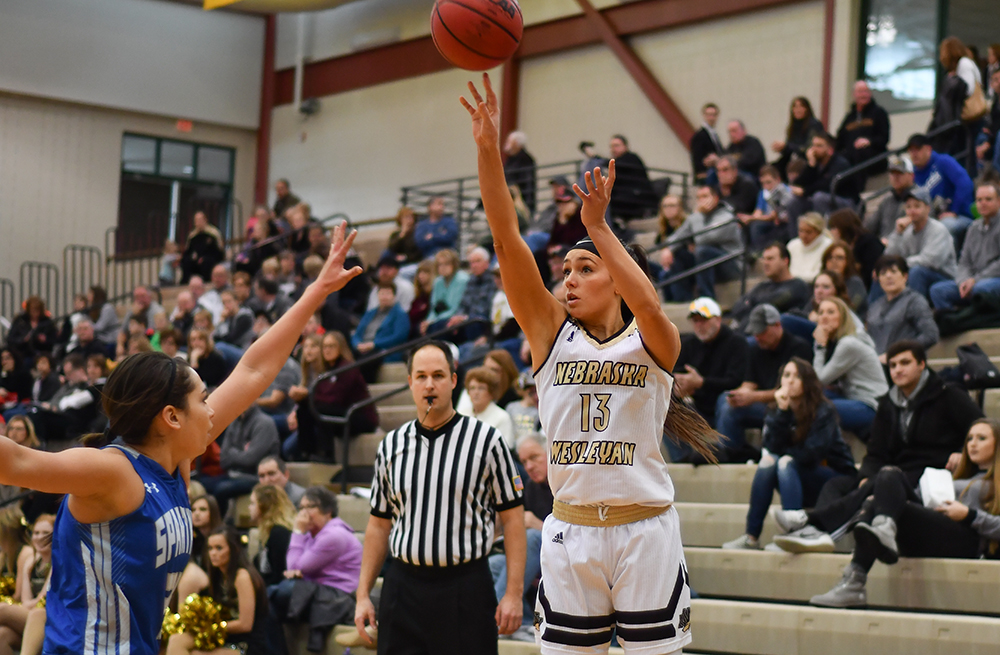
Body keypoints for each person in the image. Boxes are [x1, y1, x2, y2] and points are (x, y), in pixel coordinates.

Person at [445, 75, 725, 654]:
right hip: (570, 531)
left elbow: (648, 302)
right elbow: (505, 239)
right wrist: (486, 150)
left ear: (617, 282)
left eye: (584, 269)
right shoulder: (550, 335)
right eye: (565, 270)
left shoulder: (653, 341)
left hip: (645, 531)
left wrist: (596, 226)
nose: (568, 279)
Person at [0, 222, 363, 655]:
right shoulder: (113, 470)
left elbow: (252, 372)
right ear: (171, 417)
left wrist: (315, 293)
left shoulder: (175, 458)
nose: (211, 407)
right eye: (202, 398)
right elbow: (16, 462)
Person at [353, 342, 526, 653]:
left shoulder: (487, 440)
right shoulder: (390, 445)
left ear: (453, 380)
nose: (429, 384)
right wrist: (363, 593)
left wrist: (513, 593)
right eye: (420, 376)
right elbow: (379, 525)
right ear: (409, 382)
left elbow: (513, 520)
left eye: (438, 375)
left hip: (465, 587)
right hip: (403, 587)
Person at [773, 340, 983, 553]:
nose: (898, 370)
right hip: (895, 473)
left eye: (905, 363)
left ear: (921, 365)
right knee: (837, 485)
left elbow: (983, 429)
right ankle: (816, 534)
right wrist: (866, 474)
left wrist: (962, 452)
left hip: (931, 475)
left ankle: (813, 525)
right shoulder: (887, 403)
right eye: (892, 365)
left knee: (880, 482)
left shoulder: (948, 394)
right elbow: (876, 452)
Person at [810, 418, 1000, 608]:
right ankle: (880, 533)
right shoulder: (959, 475)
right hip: (936, 528)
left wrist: (969, 515)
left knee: (876, 500)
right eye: (969, 439)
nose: (972, 444)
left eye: (981, 438)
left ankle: (819, 529)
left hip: (967, 540)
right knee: (889, 475)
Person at [722, 358, 855, 550]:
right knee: (768, 462)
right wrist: (783, 414)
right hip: (796, 475)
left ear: (808, 382)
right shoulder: (776, 409)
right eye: (786, 376)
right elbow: (770, 448)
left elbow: (811, 453)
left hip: (834, 479)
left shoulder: (823, 410)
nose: (790, 381)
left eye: (797, 376)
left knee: (784, 461)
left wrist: (784, 455)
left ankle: (793, 534)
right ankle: (751, 537)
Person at [716, 305, 812, 462]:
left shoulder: (799, 347)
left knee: (729, 410)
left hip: (789, 407)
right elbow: (750, 382)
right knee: (725, 400)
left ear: (777, 325)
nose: (758, 336)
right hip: (765, 404)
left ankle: (730, 458)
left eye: (762, 332)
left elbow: (791, 391)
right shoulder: (755, 349)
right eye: (755, 332)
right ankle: (732, 455)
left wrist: (753, 397)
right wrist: (740, 394)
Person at [490, 433, 552, 641]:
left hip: (566, 551)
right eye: (524, 461)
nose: (529, 466)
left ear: (550, 452)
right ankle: (524, 624)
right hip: (539, 556)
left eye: (534, 457)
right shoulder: (531, 489)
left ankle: (499, 622)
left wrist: (541, 527)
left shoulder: (565, 483)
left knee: (533, 537)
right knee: (494, 564)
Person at [168, 526, 268, 655]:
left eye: (219, 548)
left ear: (234, 549)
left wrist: (213, 627)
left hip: (247, 644)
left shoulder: (242, 576)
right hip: (224, 637)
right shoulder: (219, 576)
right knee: (176, 640)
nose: (213, 553)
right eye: (210, 548)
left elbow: (245, 624)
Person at [812, 297, 888, 437]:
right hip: (854, 398)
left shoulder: (848, 344)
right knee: (810, 396)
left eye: (830, 312)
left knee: (818, 409)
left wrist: (819, 346)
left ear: (843, 317)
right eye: (821, 312)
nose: (824, 317)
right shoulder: (842, 341)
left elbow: (819, 379)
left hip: (871, 405)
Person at [298, 331, 377, 461]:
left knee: (321, 408)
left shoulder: (347, 368)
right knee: (303, 410)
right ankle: (305, 453)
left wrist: (308, 395)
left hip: (360, 416)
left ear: (341, 348)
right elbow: (322, 395)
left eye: (332, 346)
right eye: (325, 347)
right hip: (341, 412)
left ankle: (327, 455)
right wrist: (304, 399)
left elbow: (335, 399)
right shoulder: (326, 370)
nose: (327, 350)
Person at [672, 297, 748, 429]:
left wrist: (702, 383)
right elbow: (677, 372)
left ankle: (725, 449)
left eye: (704, 320)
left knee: (726, 401)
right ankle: (685, 450)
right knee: (663, 403)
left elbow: (735, 381)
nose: (699, 325)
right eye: (696, 321)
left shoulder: (736, 343)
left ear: (718, 319)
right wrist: (680, 386)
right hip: (696, 403)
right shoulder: (689, 344)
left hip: (723, 403)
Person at [660, 184, 743, 301]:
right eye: (699, 198)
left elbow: (706, 237)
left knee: (703, 251)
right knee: (679, 254)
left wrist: (697, 215)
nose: (701, 201)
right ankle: (682, 300)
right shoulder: (697, 217)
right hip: (706, 262)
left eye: (705, 196)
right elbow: (677, 236)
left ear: (715, 198)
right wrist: (668, 249)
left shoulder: (727, 216)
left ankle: (707, 299)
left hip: (731, 263)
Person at [929, 180, 1000, 310]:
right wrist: (963, 281)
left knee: (981, 288)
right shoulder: (973, 228)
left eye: (988, 199)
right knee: (938, 290)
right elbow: (964, 261)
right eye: (979, 200)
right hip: (972, 282)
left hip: (992, 281)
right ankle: (957, 322)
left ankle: (981, 320)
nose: (983, 203)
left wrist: (975, 280)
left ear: (999, 201)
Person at [881, 186, 958, 299]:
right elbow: (889, 257)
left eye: (917, 206)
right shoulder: (906, 231)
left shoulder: (938, 229)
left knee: (916, 272)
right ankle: (876, 313)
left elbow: (930, 261)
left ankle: (916, 311)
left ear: (927, 208)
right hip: (917, 271)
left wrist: (900, 265)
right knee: (883, 274)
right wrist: (897, 233)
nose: (912, 211)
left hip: (945, 277)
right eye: (908, 207)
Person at [907, 132, 975, 249]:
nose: (914, 154)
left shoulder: (943, 162)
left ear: (928, 149)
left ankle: (949, 266)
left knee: (944, 227)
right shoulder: (914, 174)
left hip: (961, 216)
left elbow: (965, 184)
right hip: (934, 219)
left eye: (917, 149)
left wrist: (954, 211)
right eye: (911, 151)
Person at [866, 256, 940, 360]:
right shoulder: (874, 306)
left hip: (904, 363)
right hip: (877, 365)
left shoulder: (915, 301)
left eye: (893, 271)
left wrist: (899, 353)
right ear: (878, 279)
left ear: (905, 276)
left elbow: (930, 335)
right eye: (883, 273)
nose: (888, 276)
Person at [0, 514, 53, 655]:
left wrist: (25, 605)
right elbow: (24, 599)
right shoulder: (32, 562)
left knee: (2, 609)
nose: (39, 537)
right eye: (36, 533)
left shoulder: (57, 563)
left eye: (46, 533)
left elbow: (42, 601)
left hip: (46, 618)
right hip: (29, 613)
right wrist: (26, 572)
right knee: (2, 636)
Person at [729, 242, 811, 330]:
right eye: (764, 259)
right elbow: (737, 308)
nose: (765, 263)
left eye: (770, 259)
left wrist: (751, 303)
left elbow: (771, 303)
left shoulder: (797, 286)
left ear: (785, 261)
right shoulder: (762, 286)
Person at [789, 132, 858, 221]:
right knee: (794, 202)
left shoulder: (840, 163)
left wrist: (805, 191)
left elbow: (827, 185)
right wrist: (811, 166)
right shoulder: (816, 163)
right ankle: (797, 234)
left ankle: (823, 232)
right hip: (825, 199)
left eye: (819, 146)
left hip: (846, 202)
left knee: (819, 197)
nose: (814, 149)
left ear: (830, 150)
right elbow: (799, 183)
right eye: (813, 145)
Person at [834, 81, 891, 185]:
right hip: (850, 157)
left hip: (874, 157)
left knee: (860, 153)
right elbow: (839, 139)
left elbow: (884, 138)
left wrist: (869, 141)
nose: (863, 95)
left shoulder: (879, 113)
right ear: (854, 95)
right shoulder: (850, 117)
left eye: (866, 91)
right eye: (860, 92)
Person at [248, 483, 295, 587]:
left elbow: (279, 574)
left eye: (252, 503)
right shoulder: (267, 531)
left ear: (264, 505)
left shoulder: (279, 533)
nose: (249, 507)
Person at [446, 246, 496, 342]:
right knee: (444, 325)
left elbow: (487, 307)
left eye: (477, 261)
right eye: (471, 263)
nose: (474, 265)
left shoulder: (493, 280)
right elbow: (463, 304)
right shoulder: (471, 281)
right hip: (468, 319)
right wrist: (458, 316)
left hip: (483, 322)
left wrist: (465, 318)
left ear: (487, 263)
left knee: (473, 324)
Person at [827, 208, 884, 292]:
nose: (832, 232)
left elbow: (871, 271)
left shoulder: (868, 242)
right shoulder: (841, 246)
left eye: (834, 228)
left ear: (844, 227)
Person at [460, 367, 516, 449]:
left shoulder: (502, 417)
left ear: (491, 392)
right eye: (472, 388)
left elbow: (505, 448)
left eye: (481, 388)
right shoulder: (462, 414)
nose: (476, 393)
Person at [772, 96, 825, 179]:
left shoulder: (813, 125)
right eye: (795, 107)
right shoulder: (792, 127)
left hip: (807, 159)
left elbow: (808, 147)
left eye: (801, 106)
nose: (797, 110)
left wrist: (787, 146)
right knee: (771, 169)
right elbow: (790, 148)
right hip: (794, 158)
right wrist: (782, 148)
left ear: (807, 109)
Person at [744, 165, 795, 251]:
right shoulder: (763, 193)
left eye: (769, 182)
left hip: (784, 222)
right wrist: (751, 218)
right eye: (763, 183)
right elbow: (758, 212)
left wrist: (749, 218)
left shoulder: (784, 191)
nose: (766, 186)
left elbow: (773, 215)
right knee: (754, 226)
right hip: (770, 222)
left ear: (778, 179)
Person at [864, 155, 913, 242]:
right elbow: (870, 227)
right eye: (892, 173)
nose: (895, 177)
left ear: (911, 176)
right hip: (883, 246)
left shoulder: (919, 198)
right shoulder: (887, 200)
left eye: (900, 173)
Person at [607, 134, 657, 220]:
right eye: (611, 146)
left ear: (625, 146)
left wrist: (596, 158)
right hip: (625, 197)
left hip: (636, 198)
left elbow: (617, 165)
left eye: (616, 146)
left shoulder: (631, 158)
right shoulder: (619, 162)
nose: (613, 149)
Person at [421, 249, 469, 334]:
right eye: (440, 265)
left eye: (446, 264)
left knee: (436, 327)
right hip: (439, 319)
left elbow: (454, 308)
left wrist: (433, 322)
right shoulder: (437, 282)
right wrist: (428, 321)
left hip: (455, 317)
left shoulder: (462, 279)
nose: (443, 268)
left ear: (454, 265)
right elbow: (434, 307)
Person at [822, 240, 868, 316]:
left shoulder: (855, 283)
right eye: (830, 257)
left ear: (848, 262)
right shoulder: (821, 281)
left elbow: (849, 310)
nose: (834, 261)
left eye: (839, 258)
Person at [6, 297, 57, 362]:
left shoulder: (46, 322)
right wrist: (23, 339)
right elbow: (11, 338)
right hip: (23, 352)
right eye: (32, 310)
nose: (35, 313)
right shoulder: (20, 321)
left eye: (37, 310)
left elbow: (54, 338)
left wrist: (45, 339)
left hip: (41, 352)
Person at [181, 212, 225, 284]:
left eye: (200, 220)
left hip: (210, 258)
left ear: (205, 220)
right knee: (186, 261)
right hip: (196, 260)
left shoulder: (213, 233)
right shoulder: (192, 236)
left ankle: (207, 282)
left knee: (206, 262)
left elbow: (219, 251)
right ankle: (186, 282)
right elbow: (188, 251)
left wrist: (204, 257)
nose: (198, 223)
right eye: (196, 221)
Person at [787, 213, 833, 283]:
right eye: (801, 231)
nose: (803, 236)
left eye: (808, 232)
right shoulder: (792, 245)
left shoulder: (828, 246)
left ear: (818, 232)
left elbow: (819, 275)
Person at [503, 131, 537, 213]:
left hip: (520, 199)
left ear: (517, 143)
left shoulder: (526, 159)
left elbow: (527, 182)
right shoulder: (510, 159)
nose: (507, 143)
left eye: (510, 141)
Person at [690, 102, 724, 183]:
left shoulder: (714, 135)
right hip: (706, 176)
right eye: (709, 115)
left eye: (714, 115)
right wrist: (700, 173)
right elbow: (696, 157)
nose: (711, 118)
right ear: (704, 116)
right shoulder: (699, 136)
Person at [408, 259, 436, 338]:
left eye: (425, 272)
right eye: (419, 272)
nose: (421, 275)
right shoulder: (418, 296)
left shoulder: (433, 294)